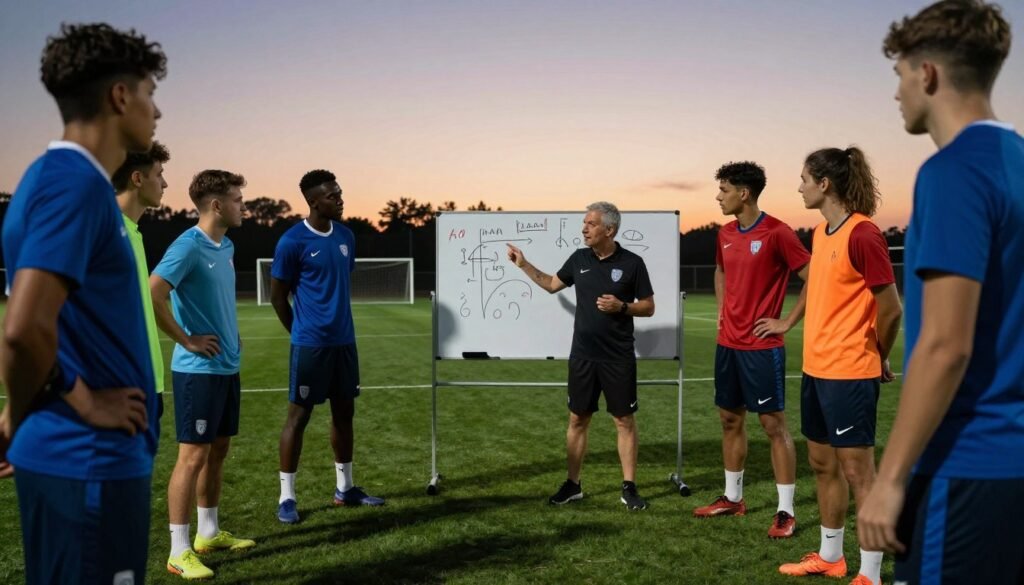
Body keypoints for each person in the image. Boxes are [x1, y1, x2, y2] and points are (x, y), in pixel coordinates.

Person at [858, 2, 1024, 583]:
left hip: (966, 463)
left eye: (900, 74)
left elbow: (946, 344)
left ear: (927, 73)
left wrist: (890, 480)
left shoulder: (954, 171)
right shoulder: (1017, 163)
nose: (897, 92)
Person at [0, 22, 165, 585]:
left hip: (81, 458)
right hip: (88, 458)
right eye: (149, 93)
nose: (156, 111)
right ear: (119, 97)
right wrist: (86, 401)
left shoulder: (59, 179)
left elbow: (51, 327)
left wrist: (16, 415)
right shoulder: (72, 184)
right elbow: (23, 329)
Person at [778, 147, 902, 585]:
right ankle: (831, 557)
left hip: (850, 373)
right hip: (816, 370)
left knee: (858, 473)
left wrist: (877, 355)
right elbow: (819, 287)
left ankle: (871, 574)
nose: (799, 187)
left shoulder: (864, 234)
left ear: (824, 183)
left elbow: (891, 309)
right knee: (822, 465)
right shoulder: (820, 232)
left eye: (804, 179)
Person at [507, 201, 655, 511]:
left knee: (624, 420)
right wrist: (523, 264)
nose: (584, 228)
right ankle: (573, 485)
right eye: (584, 223)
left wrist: (622, 307)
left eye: (591, 224)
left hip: (618, 357)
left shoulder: (633, 263)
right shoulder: (579, 258)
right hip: (583, 356)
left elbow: (648, 307)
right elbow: (551, 284)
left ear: (609, 230)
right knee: (577, 419)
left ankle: (629, 488)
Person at [693, 161, 808, 539]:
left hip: (762, 346)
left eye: (724, 190)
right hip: (728, 343)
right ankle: (732, 498)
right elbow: (720, 271)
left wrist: (787, 322)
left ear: (744, 193)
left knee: (773, 425)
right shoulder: (725, 232)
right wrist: (722, 310)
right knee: (730, 419)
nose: (718, 197)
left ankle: (785, 511)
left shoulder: (778, 232)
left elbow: (813, 277)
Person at [151, 170, 255, 579]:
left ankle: (208, 533)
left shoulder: (226, 245)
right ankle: (178, 551)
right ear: (216, 205)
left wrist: (232, 333)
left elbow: (218, 299)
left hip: (227, 366)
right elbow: (154, 291)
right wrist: (187, 339)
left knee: (219, 449)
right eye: (237, 200)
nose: (243, 206)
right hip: (198, 371)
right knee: (192, 456)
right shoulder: (188, 246)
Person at [272, 169, 385, 524]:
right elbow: (278, 297)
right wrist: (299, 332)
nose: (340, 199)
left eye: (340, 193)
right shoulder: (292, 242)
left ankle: (345, 489)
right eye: (332, 195)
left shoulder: (346, 236)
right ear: (313, 201)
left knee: (344, 414)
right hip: (311, 345)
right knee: (298, 418)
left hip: (344, 342)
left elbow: (337, 283)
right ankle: (287, 497)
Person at [112, 141, 171, 415]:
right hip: (120, 388)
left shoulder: (132, 232)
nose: (165, 184)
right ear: (137, 179)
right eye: (159, 175)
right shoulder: (104, 230)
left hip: (147, 381)